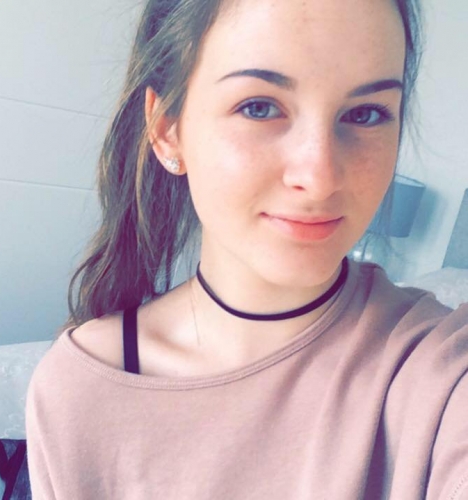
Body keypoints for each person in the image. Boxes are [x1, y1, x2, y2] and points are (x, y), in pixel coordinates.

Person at [25, 0, 468, 498]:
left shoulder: (437, 368)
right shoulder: (79, 390)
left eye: (365, 114)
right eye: (259, 107)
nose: (319, 177)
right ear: (168, 130)